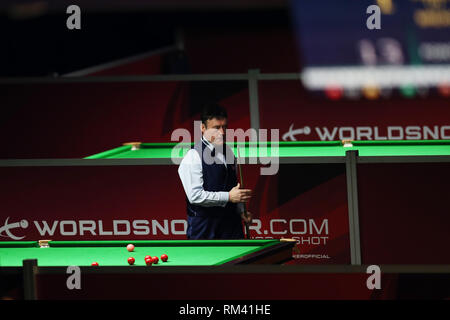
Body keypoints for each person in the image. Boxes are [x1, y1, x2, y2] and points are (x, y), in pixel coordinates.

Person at [178, 104, 252, 239]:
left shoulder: (229, 152)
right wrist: (228, 197)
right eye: (216, 128)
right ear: (202, 128)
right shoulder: (193, 156)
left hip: (231, 225)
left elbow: (232, 186)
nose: (222, 132)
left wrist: (241, 210)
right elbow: (195, 196)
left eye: (225, 127)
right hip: (204, 227)